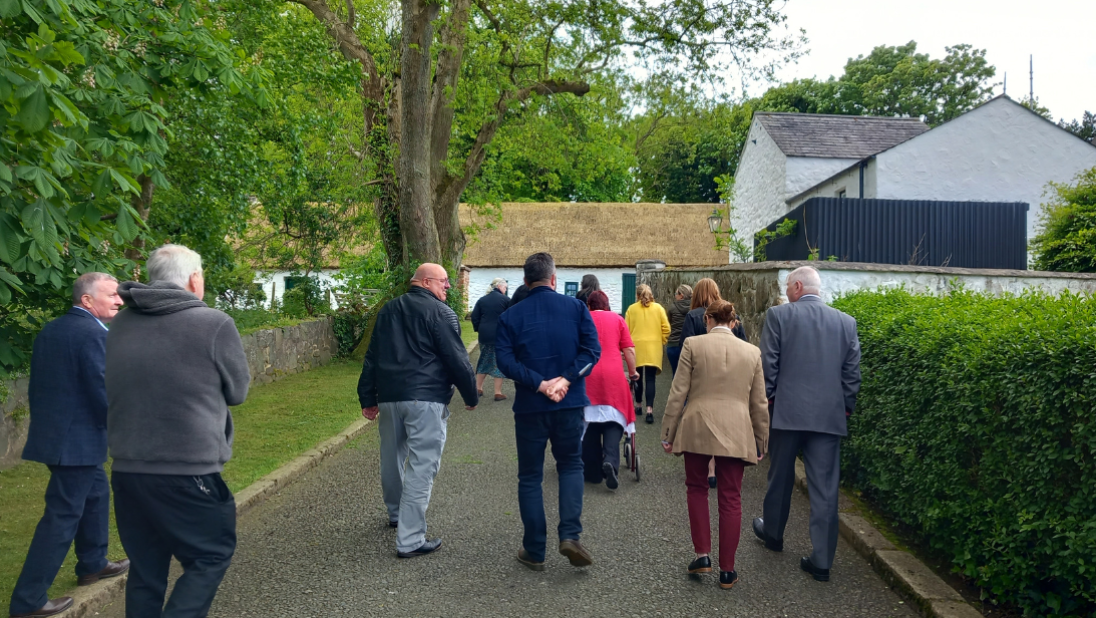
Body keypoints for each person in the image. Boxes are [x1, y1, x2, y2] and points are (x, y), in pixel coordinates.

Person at [106, 244, 250, 617]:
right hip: (188, 470)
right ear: (193, 279)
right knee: (210, 555)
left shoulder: (120, 323)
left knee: (146, 570)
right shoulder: (214, 323)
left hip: (128, 468)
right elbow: (238, 392)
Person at [9, 274, 129, 618]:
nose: (119, 301)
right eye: (111, 295)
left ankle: (93, 563)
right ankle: (29, 600)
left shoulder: (54, 329)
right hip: (75, 441)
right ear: (87, 301)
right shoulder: (92, 334)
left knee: (96, 495)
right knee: (61, 517)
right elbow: (101, 391)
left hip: (60, 435)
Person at [358, 263, 479, 558]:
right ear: (425, 282)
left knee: (392, 456)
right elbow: (457, 358)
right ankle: (410, 539)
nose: (448, 287)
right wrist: (470, 394)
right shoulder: (441, 313)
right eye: (444, 281)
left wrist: (367, 397)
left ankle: (397, 514)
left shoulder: (387, 310)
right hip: (425, 399)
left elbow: (373, 355)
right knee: (422, 467)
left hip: (389, 397)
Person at [752, 266, 861, 583]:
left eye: (788, 286)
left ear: (798, 286)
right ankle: (822, 561)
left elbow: (768, 365)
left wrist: (769, 403)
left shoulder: (779, 316)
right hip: (828, 417)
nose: (786, 292)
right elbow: (852, 374)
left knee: (780, 478)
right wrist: (845, 411)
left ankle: (773, 534)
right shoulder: (846, 322)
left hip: (787, 413)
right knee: (826, 490)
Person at [496, 252, 601, 571]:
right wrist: (565, 379)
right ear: (554, 279)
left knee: (530, 475)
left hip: (530, 405)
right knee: (570, 465)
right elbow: (591, 352)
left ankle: (534, 548)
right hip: (569, 403)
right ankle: (570, 534)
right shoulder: (577, 308)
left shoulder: (510, 316)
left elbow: (505, 361)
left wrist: (539, 384)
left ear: (526, 281)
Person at [661, 300, 768, 590]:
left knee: (696, 488)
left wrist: (668, 431)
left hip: (697, 423)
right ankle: (728, 572)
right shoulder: (752, 352)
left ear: (707, 319)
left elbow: (678, 392)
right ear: (734, 323)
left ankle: (703, 555)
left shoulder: (693, 345)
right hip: (737, 428)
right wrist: (761, 440)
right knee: (731, 497)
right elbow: (759, 403)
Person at [679, 279, 745, 488]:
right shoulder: (733, 317)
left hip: (701, 379)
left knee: (705, 423)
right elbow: (744, 347)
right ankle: (721, 464)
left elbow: (684, 350)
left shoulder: (692, 316)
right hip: (730, 379)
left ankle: (708, 470)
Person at [580, 290, 638, 490]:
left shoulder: (583, 318)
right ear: (607, 304)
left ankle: (593, 471)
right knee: (614, 418)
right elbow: (629, 349)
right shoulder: (617, 319)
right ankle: (611, 461)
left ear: (589, 305)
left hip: (588, 373)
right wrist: (633, 373)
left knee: (590, 420)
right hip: (614, 374)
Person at [624, 284, 669, 424]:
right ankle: (650, 411)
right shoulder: (659, 308)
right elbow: (666, 328)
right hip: (653, 348)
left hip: (636, 347)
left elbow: (625, 330)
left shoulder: (631, 309)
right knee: (650, 379)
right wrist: (660, 340)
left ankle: (638, 406)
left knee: (637, 378)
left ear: (637, 295)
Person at [471, 278, 511, 401]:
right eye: (505, 288)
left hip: (484, 335)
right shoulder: (506, 300)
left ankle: (478, 389)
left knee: (483, 359)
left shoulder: (482, 300)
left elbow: (474, 316)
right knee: (499, 362)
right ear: (499, 287)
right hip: (500, 336)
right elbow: (511, 317)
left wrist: (479, 329)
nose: (505, 290)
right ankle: (497, 393)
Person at [681, 278, 746, 343]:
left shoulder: (692, 316)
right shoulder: (730, 315)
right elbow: (743, 343)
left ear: (696, 295)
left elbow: (685, 344)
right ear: (716, 293)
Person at [665, 284, 693, 375]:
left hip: (674, 343)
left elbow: (669, 322)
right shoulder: (694, 308)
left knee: (675, 374)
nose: (675, 295)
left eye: (676, 293)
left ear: (681, 295)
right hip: (689, 344)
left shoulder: (673, 307)